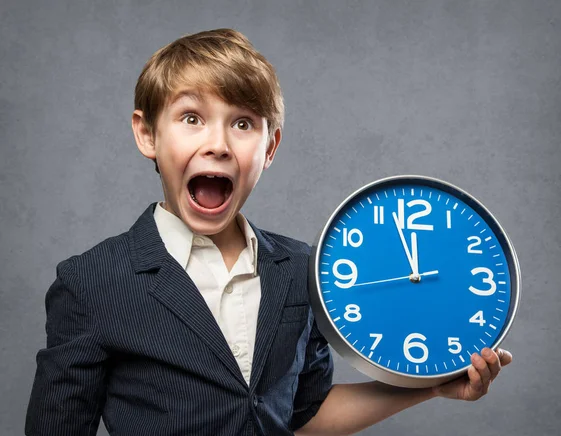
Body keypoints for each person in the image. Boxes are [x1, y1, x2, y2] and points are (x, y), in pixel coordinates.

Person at [25, 28, 512, 436]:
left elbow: (302, 416)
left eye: (242, 123)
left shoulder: (301, 268)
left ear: (270, 146)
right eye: (191, 119)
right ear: (148, 134)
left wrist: (430, 385)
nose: (217, 143)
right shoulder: (92, 281)